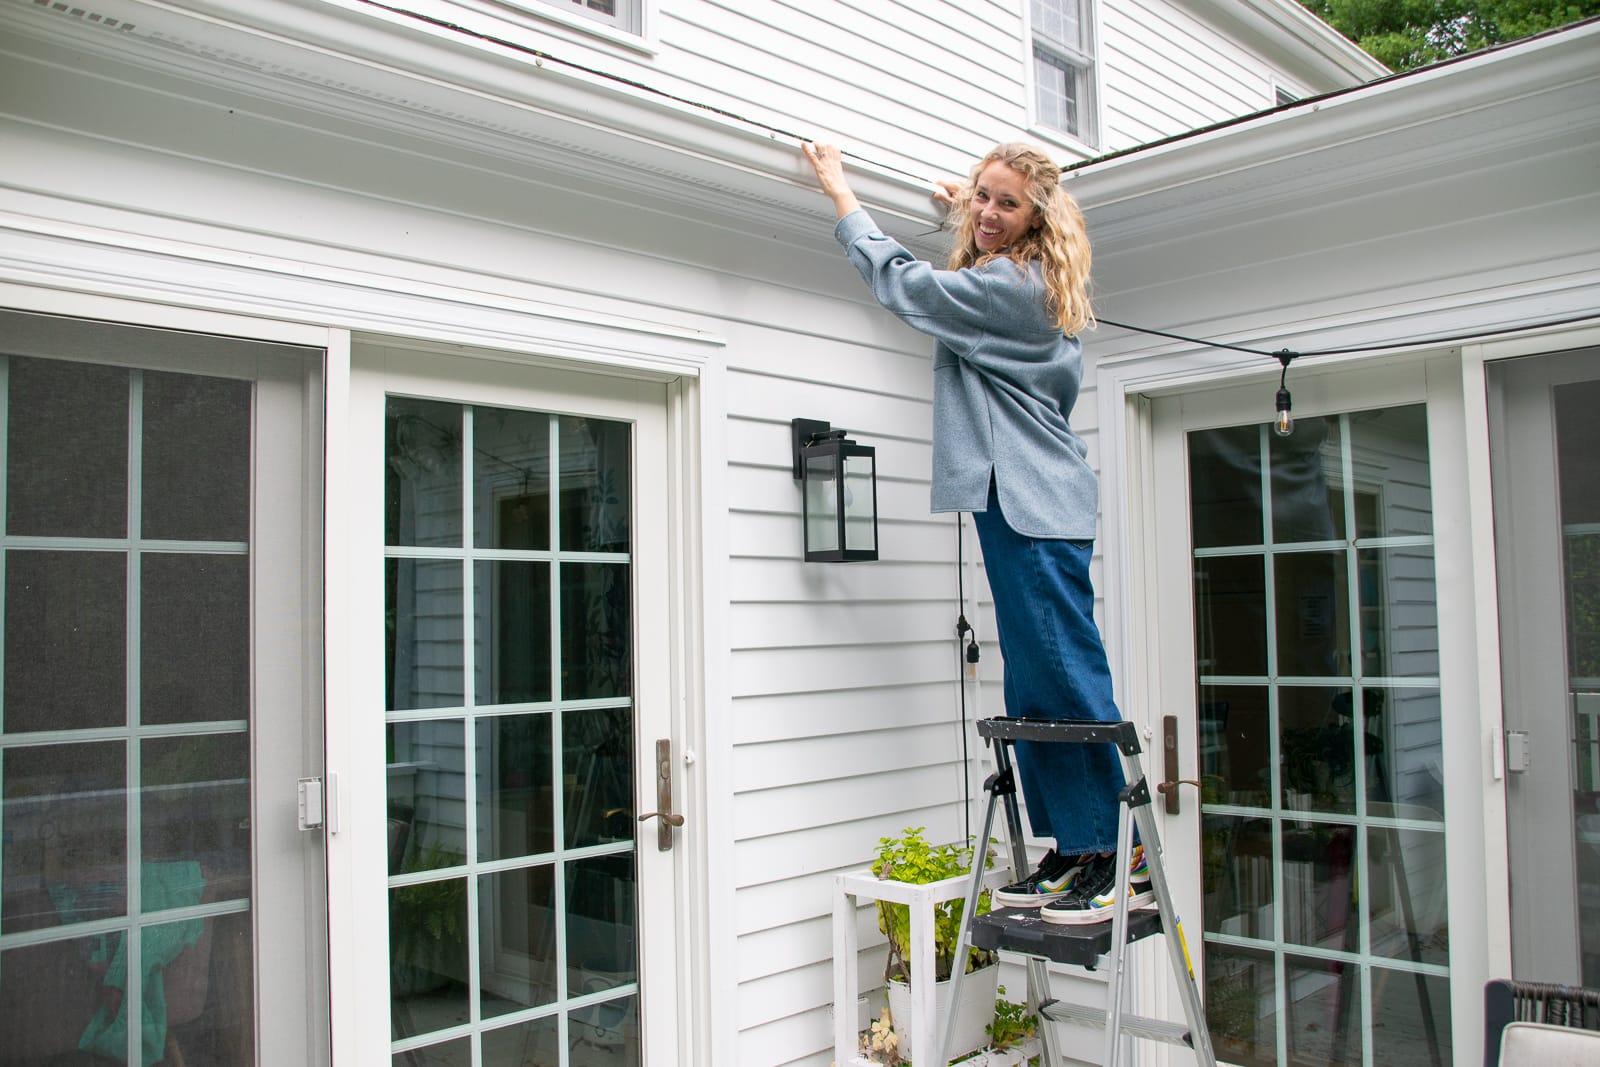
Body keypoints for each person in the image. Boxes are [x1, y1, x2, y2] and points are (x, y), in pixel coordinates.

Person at [801, 140, 1150, 925]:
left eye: (1006, 204)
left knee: (1063, 671)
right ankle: (1077, 845)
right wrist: (966, 209)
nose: (988, 213)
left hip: (1034, 502)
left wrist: (842, 194)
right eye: (981, 198)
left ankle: (1120, 848)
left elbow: (909, 286)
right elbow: (974, 249)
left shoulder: (1013, 289)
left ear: (1036, 222)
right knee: (1032, 682)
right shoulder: (1022, 275)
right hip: (1017, 498)